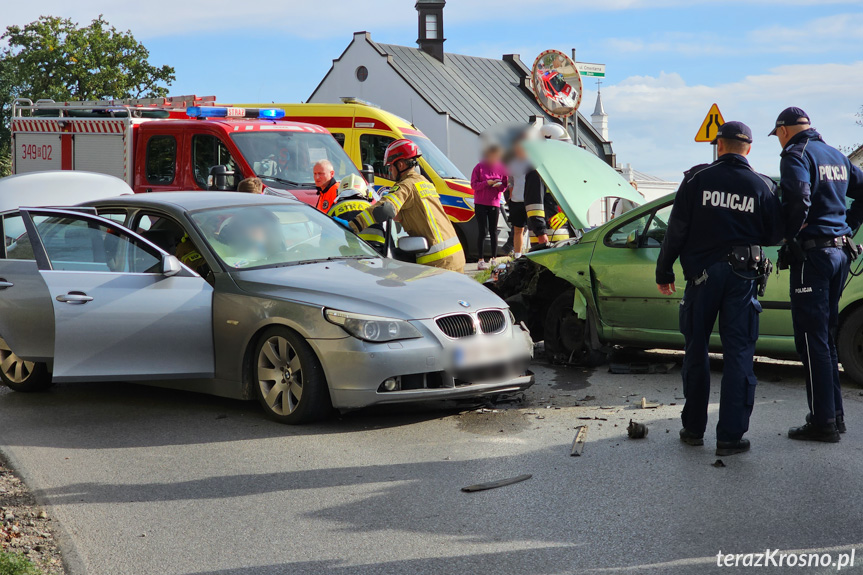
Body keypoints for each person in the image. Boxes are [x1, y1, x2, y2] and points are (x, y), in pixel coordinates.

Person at [655, 121, 782, 456]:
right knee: (739, 352)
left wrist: (664, 269)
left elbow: (676, 229)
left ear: (719, 146)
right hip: (742, 277)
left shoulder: (697, 179)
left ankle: (693, 429)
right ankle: (730, 436)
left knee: (697, 349)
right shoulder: (763, 185)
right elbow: (774, 235)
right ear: (749, 149)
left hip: (701, 278)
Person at [770, 107, 863, 442]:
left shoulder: (796, 154)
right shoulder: (835, 155)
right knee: (824, 336)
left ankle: (822, 421)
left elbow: (797, 196)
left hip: (814, 255)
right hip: (839, 253)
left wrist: (789, 234)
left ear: (783, 131)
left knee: (810, 339)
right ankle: (834, 417)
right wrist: (847, 228)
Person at [348, 139, 465, 272]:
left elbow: (385, 208)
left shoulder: (406, 185)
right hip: (455, 256)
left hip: (437, 262)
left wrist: (352, 226)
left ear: (401, 165)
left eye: (391, 166)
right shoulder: (423, 181)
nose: (390, 170)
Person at [471, 145, 508, 270]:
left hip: (494, 202)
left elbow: (504, 186)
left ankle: (493, 258)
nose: (495, 159)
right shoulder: (479, 167)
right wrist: (486, 183)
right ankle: (481, 260)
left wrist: (498, 185)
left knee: (493, 231)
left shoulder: (501, 168)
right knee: (483, 231)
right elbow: (474, 185)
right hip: (480, 202)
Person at [328, 174, 385, 251]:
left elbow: (325, 240)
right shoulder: (373, 208)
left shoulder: (333, 210)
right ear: (367, 193)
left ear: (338, 193)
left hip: (348, 255)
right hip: (378, 252)